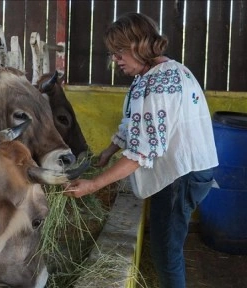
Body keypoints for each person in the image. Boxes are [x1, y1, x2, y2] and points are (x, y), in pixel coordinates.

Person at [64, 12, 218, 288]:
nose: (115, 59)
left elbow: (143, 152)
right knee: (166, 241)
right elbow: (134, 122)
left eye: (119, 52)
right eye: (113, 53)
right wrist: (109, 150)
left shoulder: (160, 86)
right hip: (186, 168)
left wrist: (93, 185)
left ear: (140, 45)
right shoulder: (155, 74)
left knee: (166, 250)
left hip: (181, 175)